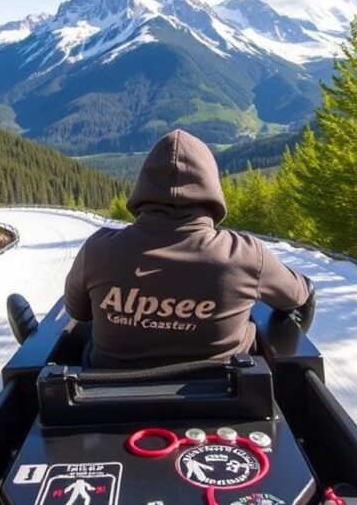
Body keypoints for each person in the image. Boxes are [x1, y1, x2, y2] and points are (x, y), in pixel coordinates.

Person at [64, 129, 314, 368]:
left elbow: (79, 313)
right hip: (227, 401)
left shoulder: (98, 250)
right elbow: (300, 295)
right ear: (211, 190)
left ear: (143, 188)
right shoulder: (244, 255)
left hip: (105, 399)